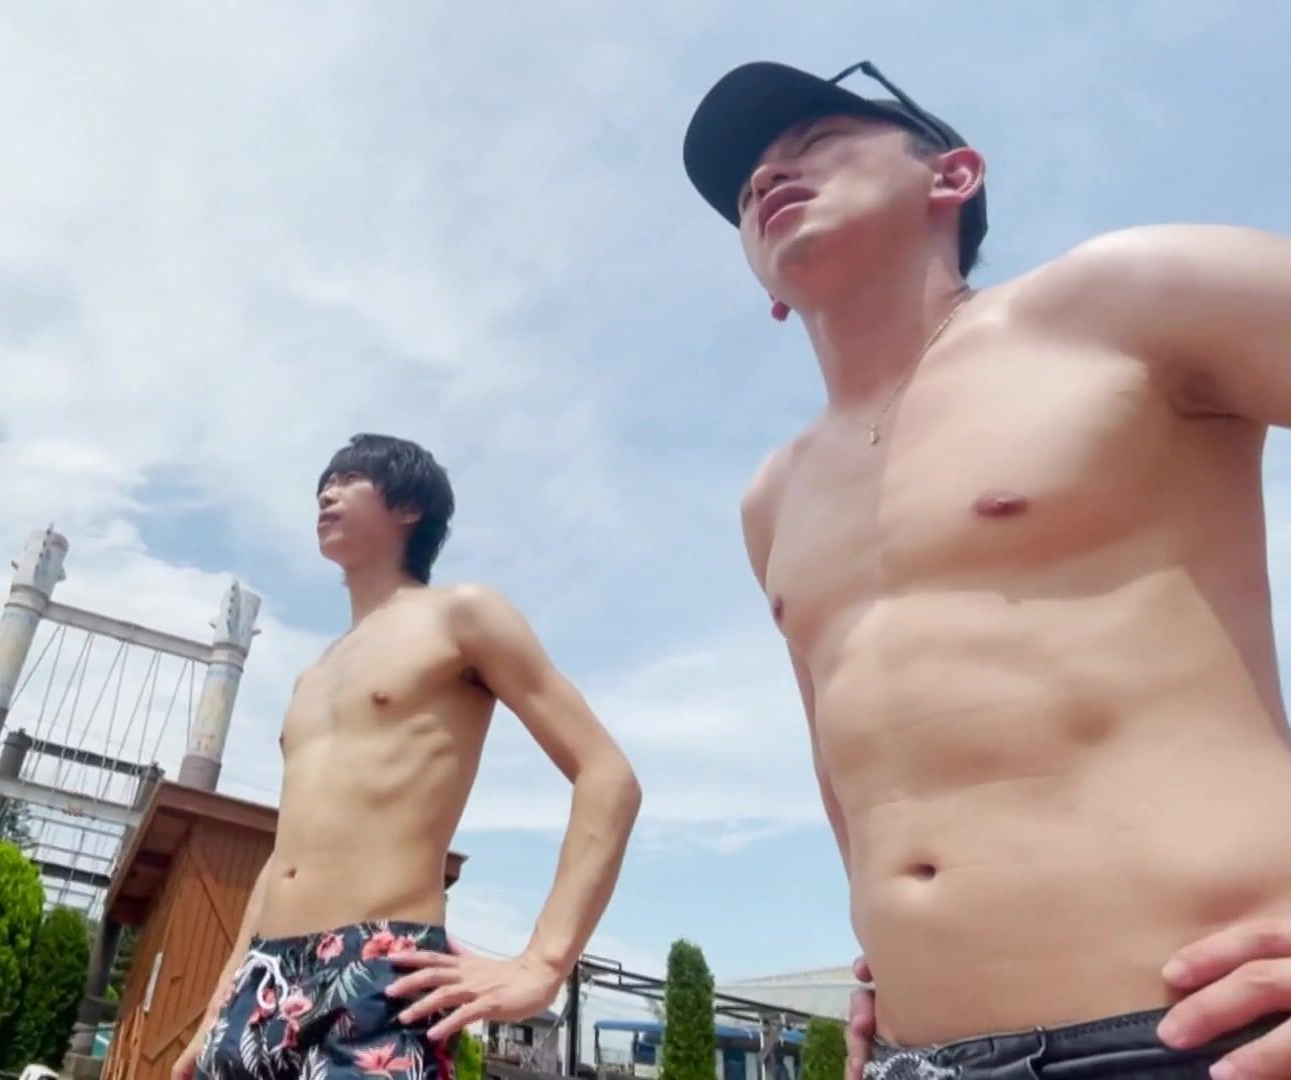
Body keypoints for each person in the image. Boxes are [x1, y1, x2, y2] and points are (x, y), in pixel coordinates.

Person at [682, 59, 1291, 1079]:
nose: (767, 175)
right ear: (768, 292)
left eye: (817, 140)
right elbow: (847, 771)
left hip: (1196, 1030)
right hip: (917, 1055)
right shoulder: (772, 500)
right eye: (746, 188)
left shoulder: (1121, 301)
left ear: (953, 175)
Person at [171, 433, 641, 1080]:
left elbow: (607, 775)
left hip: (379, 967)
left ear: (408, 507)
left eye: (349, 478)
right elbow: (286, 853)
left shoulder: (462, 615)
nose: (326, 492)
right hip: (264, 977)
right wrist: (216, 1008)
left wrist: (544, 963)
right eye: (323, 483)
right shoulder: (313, 675)